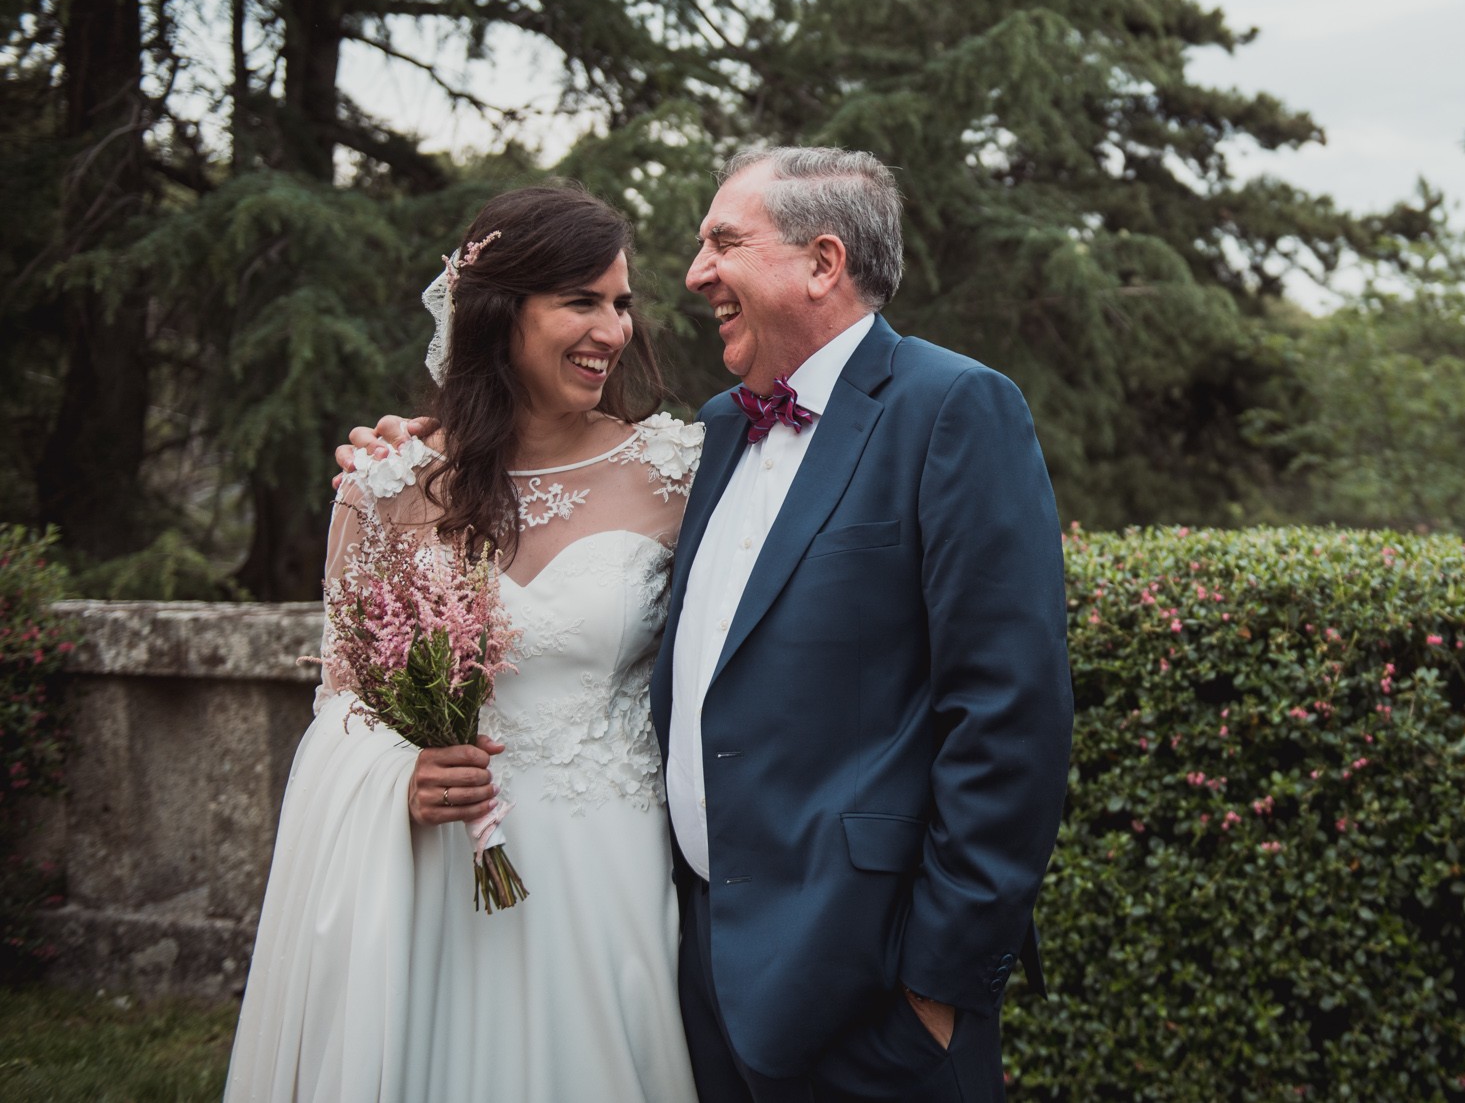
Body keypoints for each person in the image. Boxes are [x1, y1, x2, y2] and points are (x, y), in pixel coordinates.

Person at [344, 147, 1074, 1103]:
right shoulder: (720, 430)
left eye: (723, 241)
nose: (691, 277)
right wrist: (410, 451)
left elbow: (1011, 718)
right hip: (694, 971)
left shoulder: (954, 407)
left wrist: (936, 985)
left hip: (873, 989)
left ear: (822, 262)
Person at [226, 185, 705, 1103]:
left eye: (621, 301)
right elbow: (342, 703)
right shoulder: (387, 484)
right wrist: (395, 784)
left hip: (606, 871)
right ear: (498, 311)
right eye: (580, 300)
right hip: (436, 868)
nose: (612, 328)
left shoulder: (674, 472)